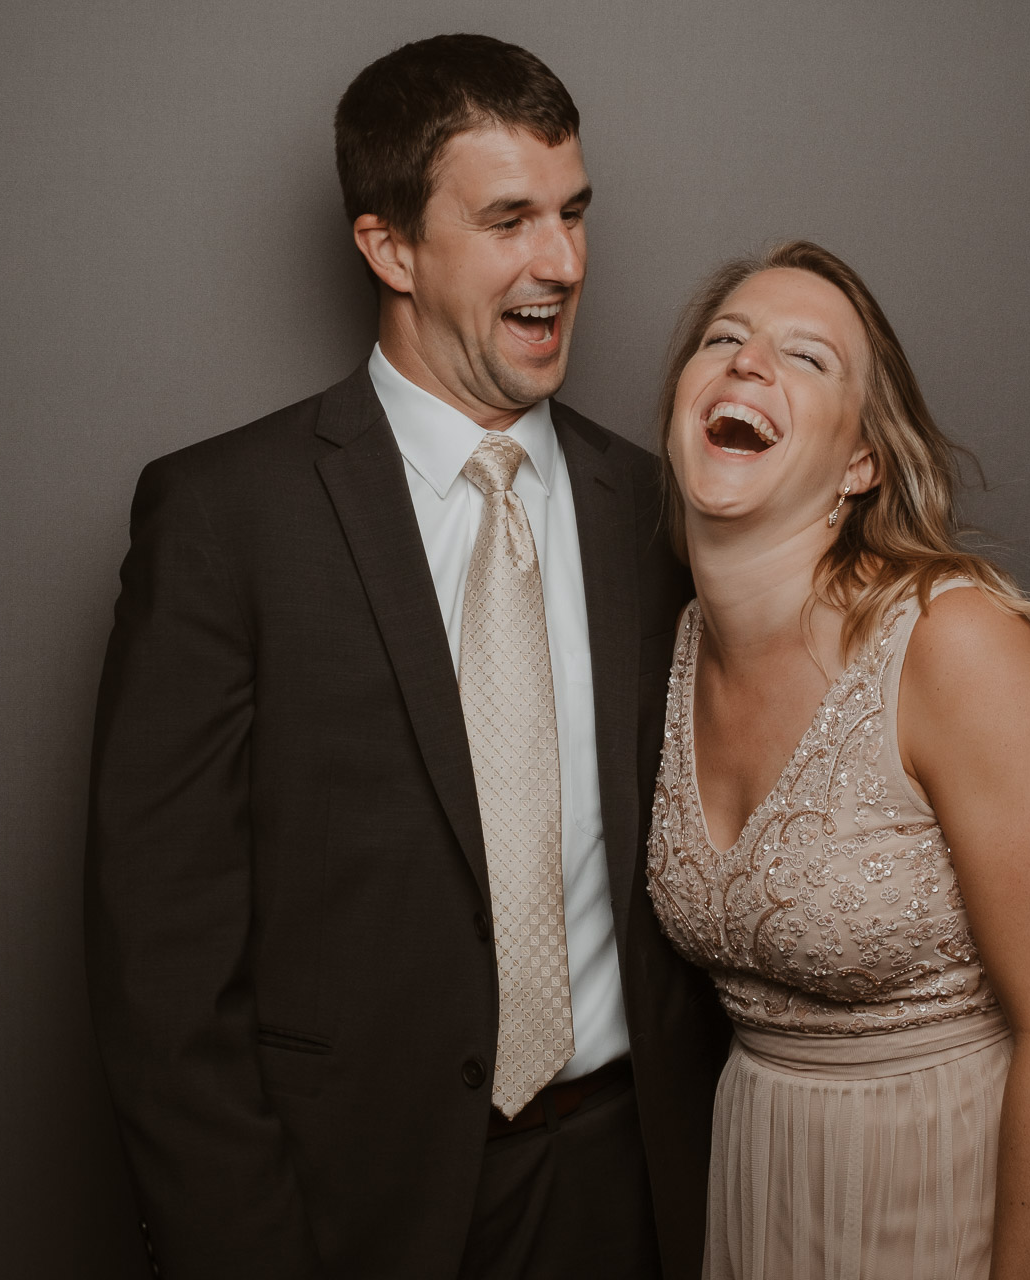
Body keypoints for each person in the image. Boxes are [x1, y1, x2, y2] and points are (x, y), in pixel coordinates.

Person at [84, 34, 728, 1280]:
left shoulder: (653, 512)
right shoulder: (227, 517)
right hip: (351, 1207)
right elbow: (158, 965)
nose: (561, 261)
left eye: (571, 212)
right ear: (387, 246)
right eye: (507, 221)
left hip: (629, 1188)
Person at [645, 241, 1030, 1279]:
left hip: (964, 1186)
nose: (747, 364)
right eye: (723, 339)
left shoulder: (950, 643)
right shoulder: (666, 650)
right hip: (766, 1192)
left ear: (861, 463)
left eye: (804, 358)